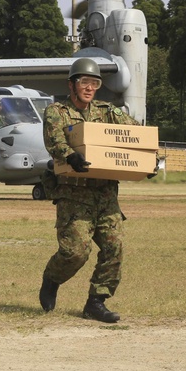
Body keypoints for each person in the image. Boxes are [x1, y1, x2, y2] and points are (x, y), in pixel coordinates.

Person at [39, 58, 141, 323]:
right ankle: (52, 279)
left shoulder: (108, 111)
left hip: (105, 193)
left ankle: (96, 302)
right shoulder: (56, 111)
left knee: (114, 248)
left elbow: (135, 135)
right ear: (72, 84)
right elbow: (55, 140)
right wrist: (69, 155)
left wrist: (144, 161)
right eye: (85, 82)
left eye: (94, 83)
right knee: (75, 252)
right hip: (74, 194)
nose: (90, 88)